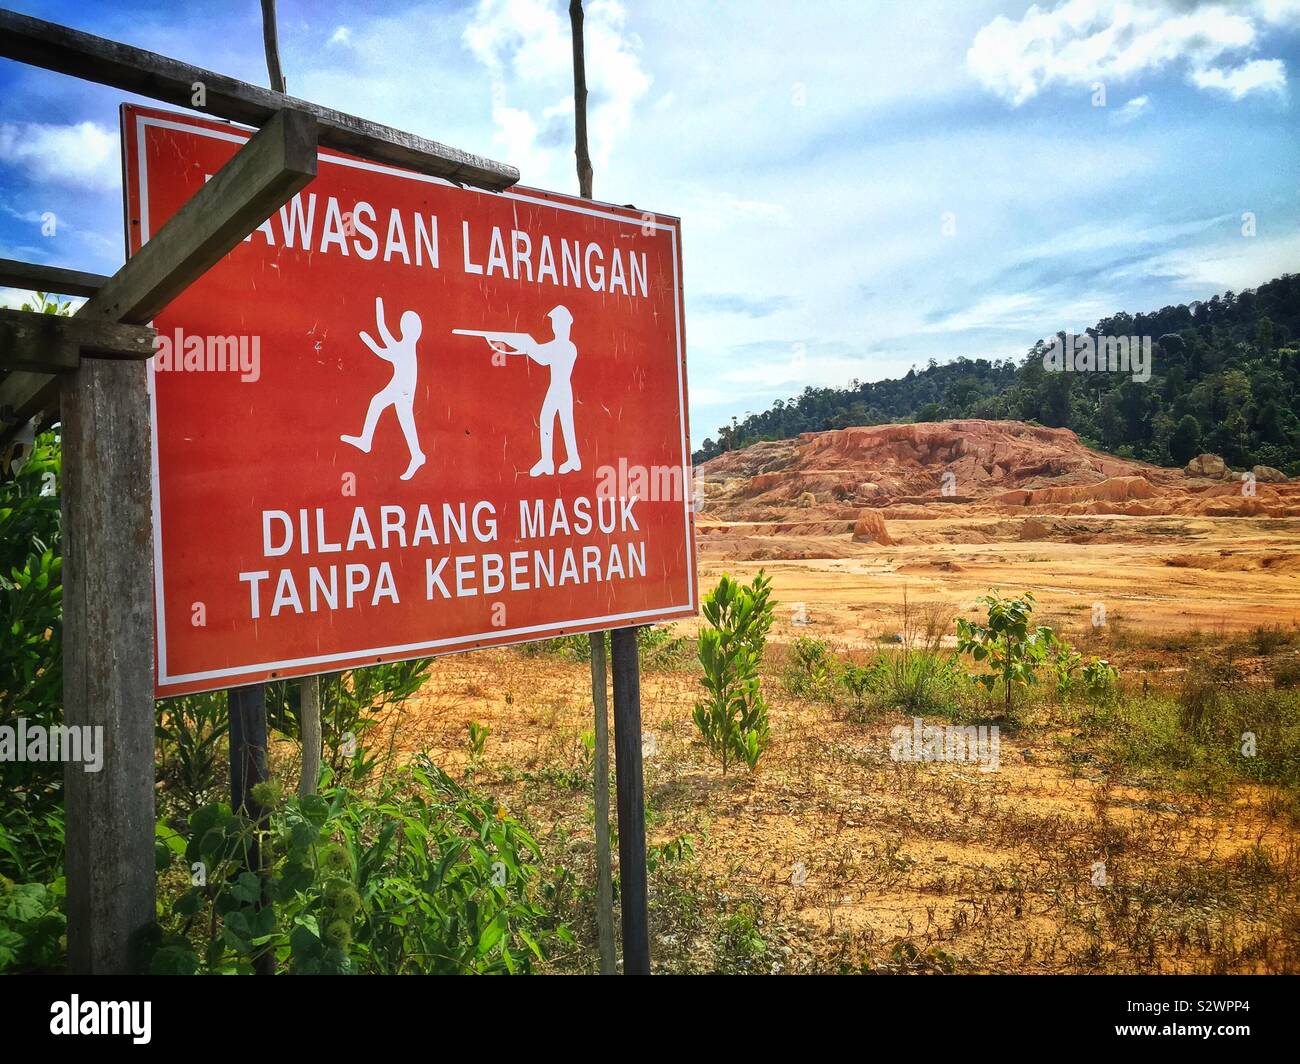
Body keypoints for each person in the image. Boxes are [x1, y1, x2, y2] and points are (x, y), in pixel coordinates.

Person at [341, 296, 426, 481]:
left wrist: (378, 313)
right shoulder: (406, 346)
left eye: (405, 323)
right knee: (381, 405)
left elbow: (384, 342)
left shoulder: (406, 347)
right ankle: (367, 440)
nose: (402, 324)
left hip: (402, 389)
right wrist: (373, 331)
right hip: (400, 385)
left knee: (401, 418)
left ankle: (416, 454)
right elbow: (385, 340)